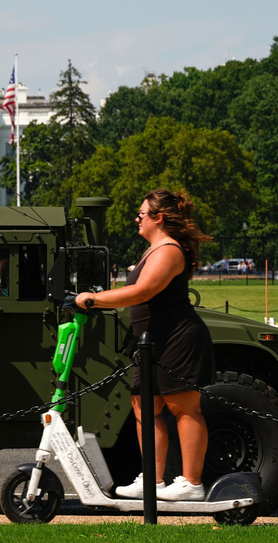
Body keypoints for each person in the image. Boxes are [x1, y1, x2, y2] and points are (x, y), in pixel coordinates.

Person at [76, 189, 214, 501]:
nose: (137, 219)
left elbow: (142, 292)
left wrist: (92, 300)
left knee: (184, 407)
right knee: (143, 406)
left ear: (158, 218)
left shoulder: (168, 251)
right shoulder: (155, 249)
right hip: (153, 342)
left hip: (177, 340)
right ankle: (152, 480)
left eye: (142, 214)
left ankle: (191, 484)